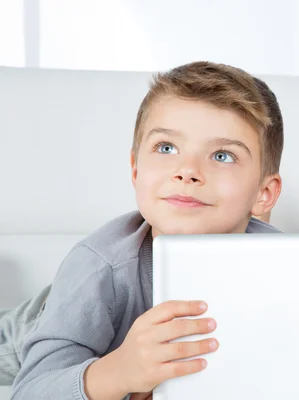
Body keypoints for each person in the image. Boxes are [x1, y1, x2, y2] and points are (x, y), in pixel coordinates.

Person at [7, 61, 284, 400]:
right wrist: (119, 372)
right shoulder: (99, 267)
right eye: (166, 148)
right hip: (43, 319)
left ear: (264, 193)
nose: (187, 171)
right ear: (136, 169)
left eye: (223, 155)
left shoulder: (284, 265)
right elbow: (31, 390)